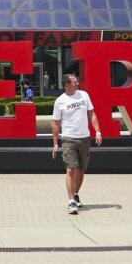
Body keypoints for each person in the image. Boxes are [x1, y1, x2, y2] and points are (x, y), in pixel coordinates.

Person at [51, 73, 103, 215]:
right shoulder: (60, 101)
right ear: (67, 84)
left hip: (84, 138)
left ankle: (75, 193)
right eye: (74, 82)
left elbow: (91, 114)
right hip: (68, 139)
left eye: (77, 81)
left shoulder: (84, 95)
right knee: (71, 169)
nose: (77, 83)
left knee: (81, 169)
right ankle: (71, 201)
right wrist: (55, 143)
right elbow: (55, 123)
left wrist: (97, 131)